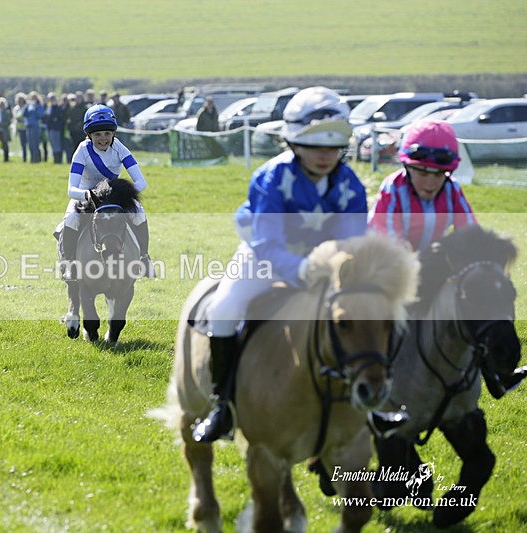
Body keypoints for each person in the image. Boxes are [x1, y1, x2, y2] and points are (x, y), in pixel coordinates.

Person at [193, 86, 367, 443]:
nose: (325, 155)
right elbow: (268, 243)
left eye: (333, 147)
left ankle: (377, 400)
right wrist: (301, 270)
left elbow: (352, 241)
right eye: (315, 146)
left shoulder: (351, 185)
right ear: (294, 143)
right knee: (225, 308)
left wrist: (338, 269)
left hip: (324, 269)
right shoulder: (270, 178)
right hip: (264, 260)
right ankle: (223, 407)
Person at [59, 104, 155, 280]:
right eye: (97, 135)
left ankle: (144, 258)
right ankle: (70, 263)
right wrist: (87, 195)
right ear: (89, 135)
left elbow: (142, 182)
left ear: (113, 134)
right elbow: (71, 189)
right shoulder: (82, 150)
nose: (103, 138)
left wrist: (122, 193)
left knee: (139, 213)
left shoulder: (119, 148)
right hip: (87, 195)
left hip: (113, 197)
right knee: (71, 219)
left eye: (107, 134)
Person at [369, 119, 476, 251]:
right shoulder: (393, 188)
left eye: (438, 175)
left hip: (424, 262)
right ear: (408, 168)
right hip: (381, 262)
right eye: (423, 174)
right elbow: (393, 249)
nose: (430, 183)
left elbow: (472, 236)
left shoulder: (451, 188)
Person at [44, 92, 66, 164]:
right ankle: (55, 160)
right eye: (50, 99)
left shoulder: (57, 107)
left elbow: (58, 118)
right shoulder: (48, 107)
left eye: (52, 98)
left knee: (57, 145)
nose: (51, 100)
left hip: (56, 129)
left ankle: (58, 161)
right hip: (50, 128)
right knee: (53, 145)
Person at [24, 91, 44, 163]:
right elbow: (24, 114)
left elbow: (39, 115)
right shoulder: (29, 106)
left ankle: (37, 159)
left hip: (35, 126)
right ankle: (32, 158)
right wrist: (26, 107)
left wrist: (35, 108)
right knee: (30, 144)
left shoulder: (39, 106)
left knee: (36, 144)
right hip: (28, 126)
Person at [13, 93, 28, 162]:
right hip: (20, 128)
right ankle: (24, 158)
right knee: (23, 144)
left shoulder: (26, 107)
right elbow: (15, 119)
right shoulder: (16, 109)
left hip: (26, 128)